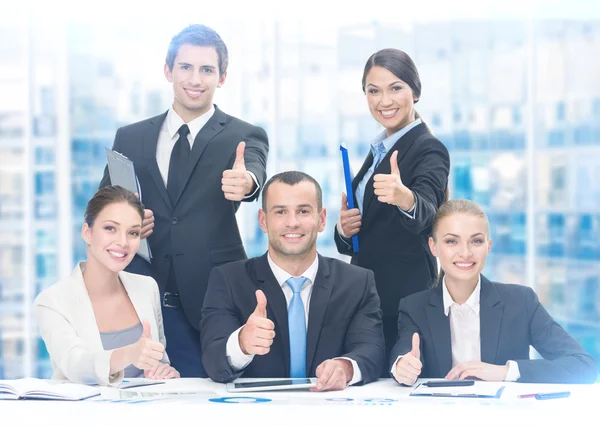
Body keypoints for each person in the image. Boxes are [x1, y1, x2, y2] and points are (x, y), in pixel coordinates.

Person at [99, 24, 269, 377]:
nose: (195, 78)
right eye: (186, 67)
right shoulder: (130, 137)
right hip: (141, 293)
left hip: (213, 296)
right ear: (168, 71)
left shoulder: (242, 134)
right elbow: (103, 205)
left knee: (212, 392)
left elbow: (253, 170)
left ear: (221, 77)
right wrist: (128, 218)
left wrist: (247, 183)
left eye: (207, 69)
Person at [201, 171, 385, 390]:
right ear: (263, 220)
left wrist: (344, 367)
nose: (292, 223)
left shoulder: (357, 282)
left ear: (322, 219)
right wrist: (242, 343)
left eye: (304, 211)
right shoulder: (228, 281)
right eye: (280, 212)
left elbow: (371, 350)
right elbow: (213, 361)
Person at [390, 198, 598, 385]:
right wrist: (402, 367)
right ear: (433, 247)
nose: (465, 252)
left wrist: (506, 371)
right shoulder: (414, 307)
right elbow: (404, 353)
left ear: (488, 246)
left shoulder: (521, 302)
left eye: (476, 241)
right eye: (451, 241)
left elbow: (583, 366)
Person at [334, 48, 450, 374]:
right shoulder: (379, 148)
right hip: (366, 296)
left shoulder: (428, 148)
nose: (384, 100)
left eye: (395, 88)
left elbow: (428, 212)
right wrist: (345, 230)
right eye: (374, 90)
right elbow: (367, 229)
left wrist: (405, 199)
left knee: (398, 386)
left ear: (415, 91)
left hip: (402, 300)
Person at [34, 186, 179, 385]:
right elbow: (76, 365)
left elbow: (157, 359)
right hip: (86, 412)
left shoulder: (147, 288)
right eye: (110, 228)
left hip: (144, 411)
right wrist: (128, 354)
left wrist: (163, 370)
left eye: (133, 233)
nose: (123, 242)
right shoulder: (52, 301)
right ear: (87, 232)